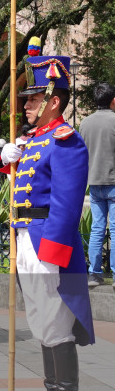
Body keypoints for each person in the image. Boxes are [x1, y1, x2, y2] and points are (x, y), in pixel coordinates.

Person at [0, 51, 94, 391]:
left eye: (34, 99)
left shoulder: (66, 141)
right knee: (43, 326)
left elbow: (67, 206)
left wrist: (51, 254)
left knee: (55, 327)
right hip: (26, 239)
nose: (27, 105)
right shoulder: (36, 140)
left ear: (54, 100)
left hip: (47, 245)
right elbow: (21, 178)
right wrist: (4, 159)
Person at [78, 82, 115, 287]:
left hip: (94, 181)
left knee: (97, 227)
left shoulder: (85, 123)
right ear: (113, 100)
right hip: (113, 180)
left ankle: (94, 273)